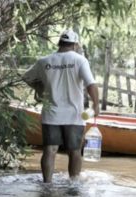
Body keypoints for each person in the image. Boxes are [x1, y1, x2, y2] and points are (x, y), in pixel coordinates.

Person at [23, 30, 99, 183]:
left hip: (51, 114)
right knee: (75, 151)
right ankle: (74, 183)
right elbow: (91, 84)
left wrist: (38, 88)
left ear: (59, 43)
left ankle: (47, 184)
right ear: (75, 44)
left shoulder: (44, 61)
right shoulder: (80, 60)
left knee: (50, 150)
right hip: (75, 115)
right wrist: (96, 105)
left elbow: (26, 77)